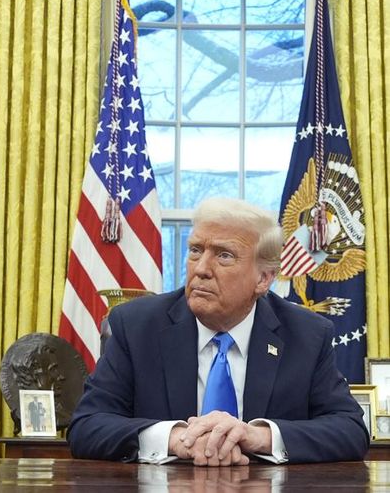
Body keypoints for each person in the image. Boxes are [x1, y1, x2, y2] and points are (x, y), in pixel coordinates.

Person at [67, 197, 368, 466]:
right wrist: (176, 439)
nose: (201, 268)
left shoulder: (307, 335)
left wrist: (257, 436)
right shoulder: (136, 326)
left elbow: (350, 430)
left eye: (224, 255)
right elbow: (87, 426)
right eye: (196, 250)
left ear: (263, 279)